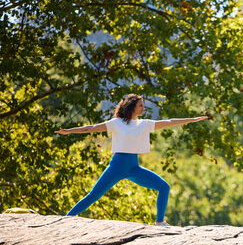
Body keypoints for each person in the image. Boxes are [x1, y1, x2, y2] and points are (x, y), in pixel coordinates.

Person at [55, 94, 208, 226]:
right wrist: (68, 131)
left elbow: (169, 122)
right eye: (140, 106)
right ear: (132, 107)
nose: (143, 108)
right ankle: (67, 218)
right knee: (93, 196)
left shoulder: (144, 124)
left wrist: (192, 119)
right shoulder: (116, 123)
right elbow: (91, 128)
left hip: (133, 168)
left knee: (164, 187)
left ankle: (160, 222)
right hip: (117, 167)